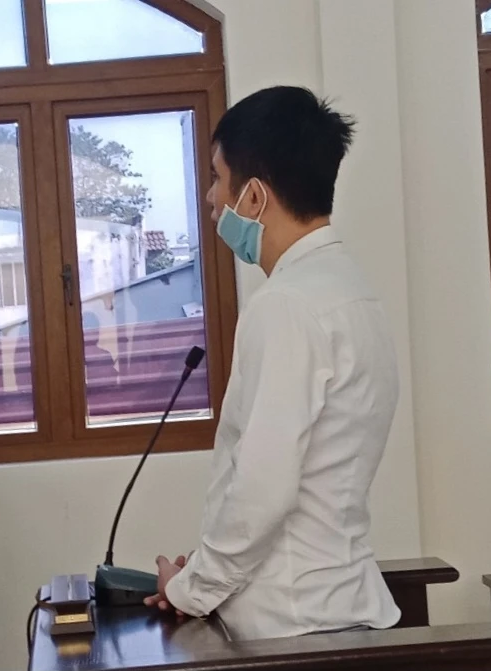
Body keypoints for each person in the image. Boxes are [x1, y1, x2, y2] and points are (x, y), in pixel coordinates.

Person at [144, 86, 402, 640]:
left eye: (217, 178)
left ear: (255, 196)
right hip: (337, 599)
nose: (211, 198)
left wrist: (189, 588)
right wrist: (205, 570)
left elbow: (264, 487)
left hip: (289, 619)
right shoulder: (352, 290)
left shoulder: (285, 305)